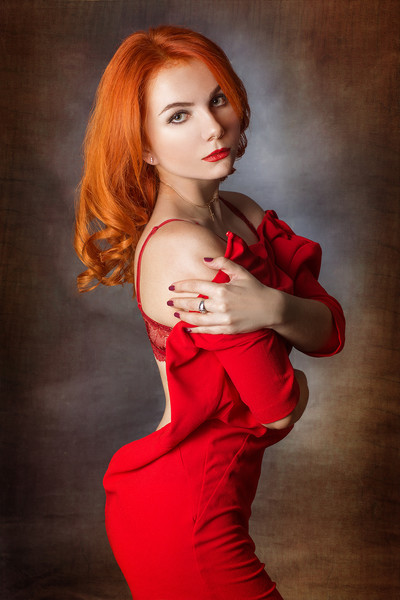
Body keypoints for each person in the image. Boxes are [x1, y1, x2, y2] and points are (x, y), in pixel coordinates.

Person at [74, 25, 345, 600]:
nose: (213, 126)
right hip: (185, 516)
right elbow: (277, 411)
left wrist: (272, 305)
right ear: (144, 146)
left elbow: (330, 331)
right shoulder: (183, 249)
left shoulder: (243, 213)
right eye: (179, 115)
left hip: (211, 502)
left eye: (217, 99)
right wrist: (297, 372)